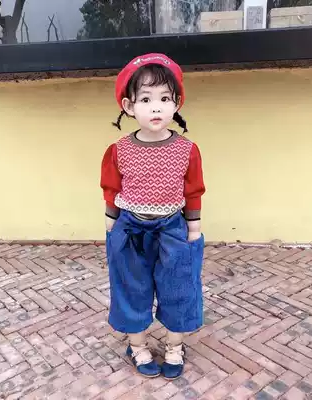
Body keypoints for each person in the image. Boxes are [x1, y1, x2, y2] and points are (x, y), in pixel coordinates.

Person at [100, 53, 205, 380]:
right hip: (130, 230)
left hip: (173, 229)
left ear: (177, 104)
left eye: (164, 99)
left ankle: (175, 346)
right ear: (129, 106)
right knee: (132, 287)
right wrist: (111, 226)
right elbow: (111, 188)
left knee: (180, 287)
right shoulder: (119, 149)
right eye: (146, 99)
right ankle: (137, 346)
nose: (156, 107)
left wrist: (193, 228)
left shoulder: (187, 150)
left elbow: (193, 190)